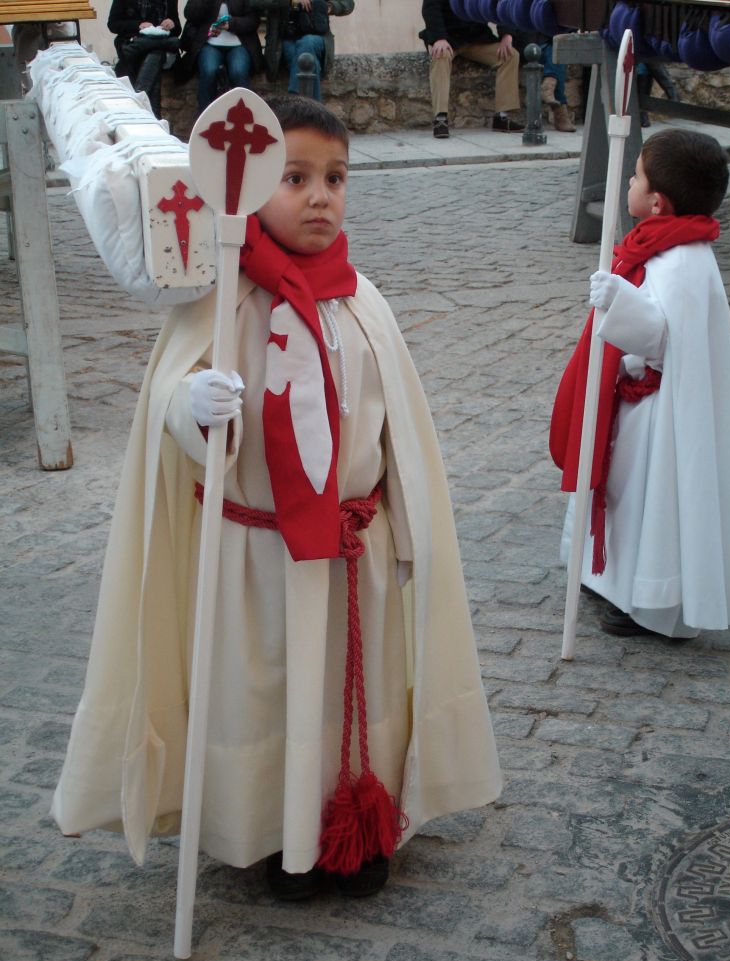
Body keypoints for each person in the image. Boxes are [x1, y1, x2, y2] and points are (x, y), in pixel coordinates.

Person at [50, 95, 502, 899]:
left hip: (348, 560)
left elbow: (402, 431)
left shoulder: (364, 302)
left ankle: (355, 832)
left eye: (335, 177)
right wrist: (189, 411)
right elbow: (164, 399)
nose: (320, 195)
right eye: (294, 177)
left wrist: (409, 543)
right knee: (265, 698)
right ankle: (269, 834)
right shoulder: (217, 304)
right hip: (254, 559)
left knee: (349, 702)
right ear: (251, 185)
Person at [550, 129, 730, 639]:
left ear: (655, 201)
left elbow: (662, 340)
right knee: (621, 496)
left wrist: (618, 301)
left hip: (660, 416)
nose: (628, 181)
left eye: (635, 176)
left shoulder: (683, 261)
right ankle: (604, 574)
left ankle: (651, 600)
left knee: (650, 501)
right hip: (632, 409)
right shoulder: (655, 247)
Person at [419, 0, 523, 139]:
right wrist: (439, 38)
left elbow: (500, 6)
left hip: (476, 38)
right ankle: (440, 119)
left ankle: (502, 117)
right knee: (440, 56)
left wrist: (506, 35)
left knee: (510, 56)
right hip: (447, 38)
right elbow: (430, 9)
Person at [177, 0, 263, 112]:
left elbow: (253, 20)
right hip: (209, 43)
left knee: (239, 71)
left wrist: (232, 24)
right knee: (209, 71)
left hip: (239, 44)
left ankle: (244, 116)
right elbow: (190, 14)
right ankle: (206, 117)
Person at [264, 0, 354, 102]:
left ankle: (295, 100)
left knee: (306, 43)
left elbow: (348, 4)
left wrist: (330, 6)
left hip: (317, 37)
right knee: (311, 63)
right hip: (288, 39)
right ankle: (315, 112)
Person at [108, 1, 182, 119]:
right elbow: (113, 24)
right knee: (155, 56)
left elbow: (177, 29)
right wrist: (138, 25)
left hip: (159, 47)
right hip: (135, 45)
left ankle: (139, 107)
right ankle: (152, 116)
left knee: (155, 55)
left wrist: (171, 24)